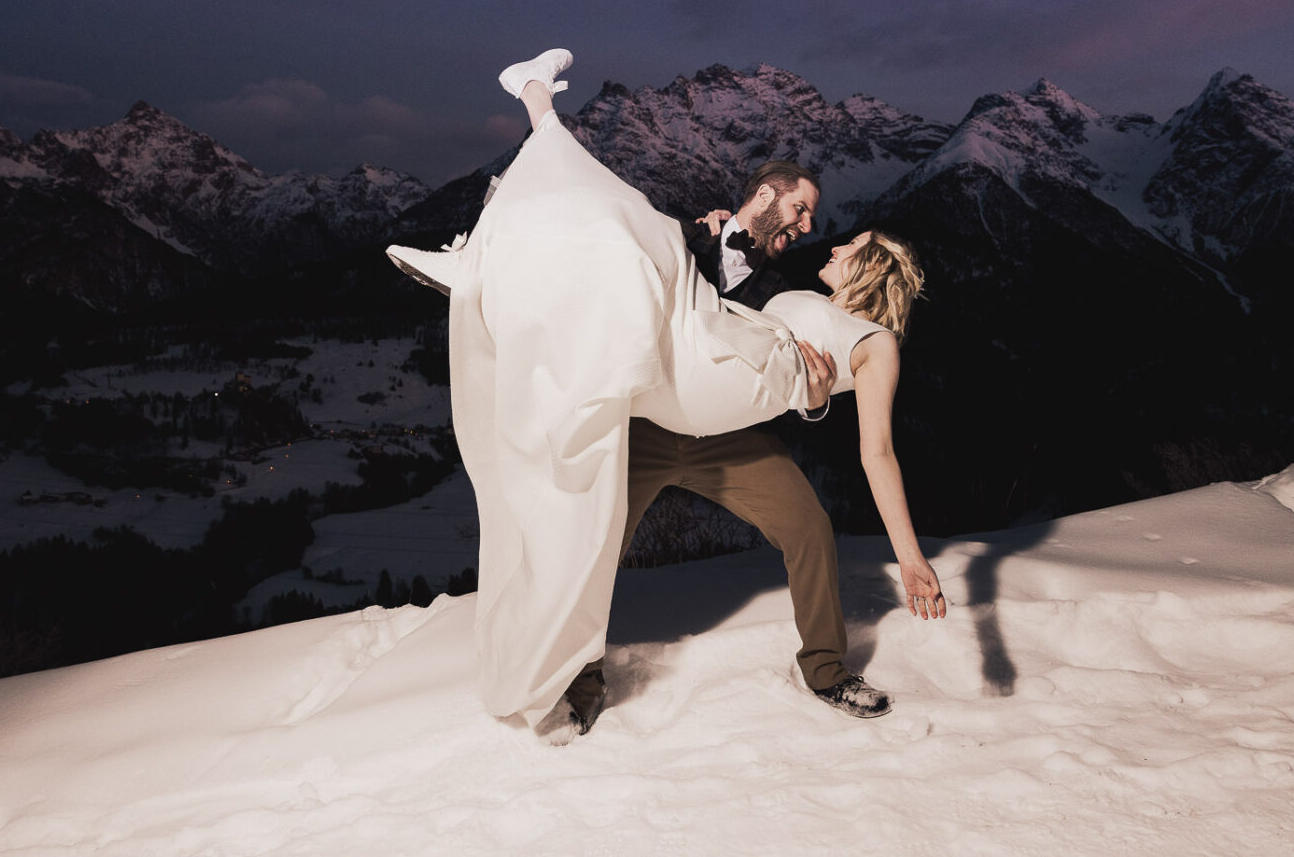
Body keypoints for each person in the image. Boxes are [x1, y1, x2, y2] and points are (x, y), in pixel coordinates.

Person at [387, 49, 944, 732]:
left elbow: (798, 358)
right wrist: (696, 247)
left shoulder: (789, 283)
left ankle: (826, 669)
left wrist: (819, 398)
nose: (806, 229)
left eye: (810, 223)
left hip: (727, 436)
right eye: (799, 210)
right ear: (766, 194)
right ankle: (580, 677)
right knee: (588, 537)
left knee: (808, 527)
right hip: (653, 417)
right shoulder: (680, 236)